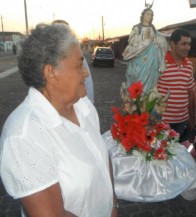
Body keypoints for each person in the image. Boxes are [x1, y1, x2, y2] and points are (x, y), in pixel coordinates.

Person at [0, 23, 117, 217]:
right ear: (51, 73)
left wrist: (113, 207)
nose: (86, 73)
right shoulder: (23, 135)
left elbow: (102, 161)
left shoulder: (84, 107)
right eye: (79, 65)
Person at [157, 28, 194, 142]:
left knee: (176, 153)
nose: (187, 47)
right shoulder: (160, 63)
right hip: (162, 121)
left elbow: (190, 93)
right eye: (184, 44)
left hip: (182, 121)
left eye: (189, 44)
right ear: (172, 44)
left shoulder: (188, 64)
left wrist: (192, 118)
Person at [123, 6, 168, 94]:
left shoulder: (153, 29)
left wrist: (161, 39)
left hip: (151, 59)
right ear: (143, 15)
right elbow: (131, 40)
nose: (149, 16)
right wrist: (144, 37)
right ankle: (137, 98)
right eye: (147, 14)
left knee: (149, 79)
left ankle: (147, 96)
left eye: (151, 15)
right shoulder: (137, 28)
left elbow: (159, 38)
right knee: (138, 78)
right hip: (138, 57)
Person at [52, 19, 95, 104]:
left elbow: (87, 81)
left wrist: (89, 102)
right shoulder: (45, 59)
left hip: (76, 103)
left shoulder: (78, 56)